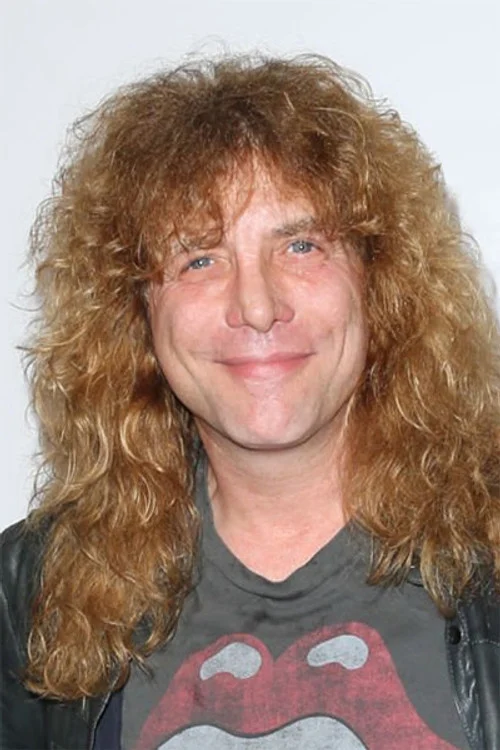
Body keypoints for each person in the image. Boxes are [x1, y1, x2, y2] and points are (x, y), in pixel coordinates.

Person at [1, 52, 499, 750]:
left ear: (379, 282)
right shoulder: (32, 592)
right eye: (199, 259)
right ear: (136, 311)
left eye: (301, 245)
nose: (257, 306)